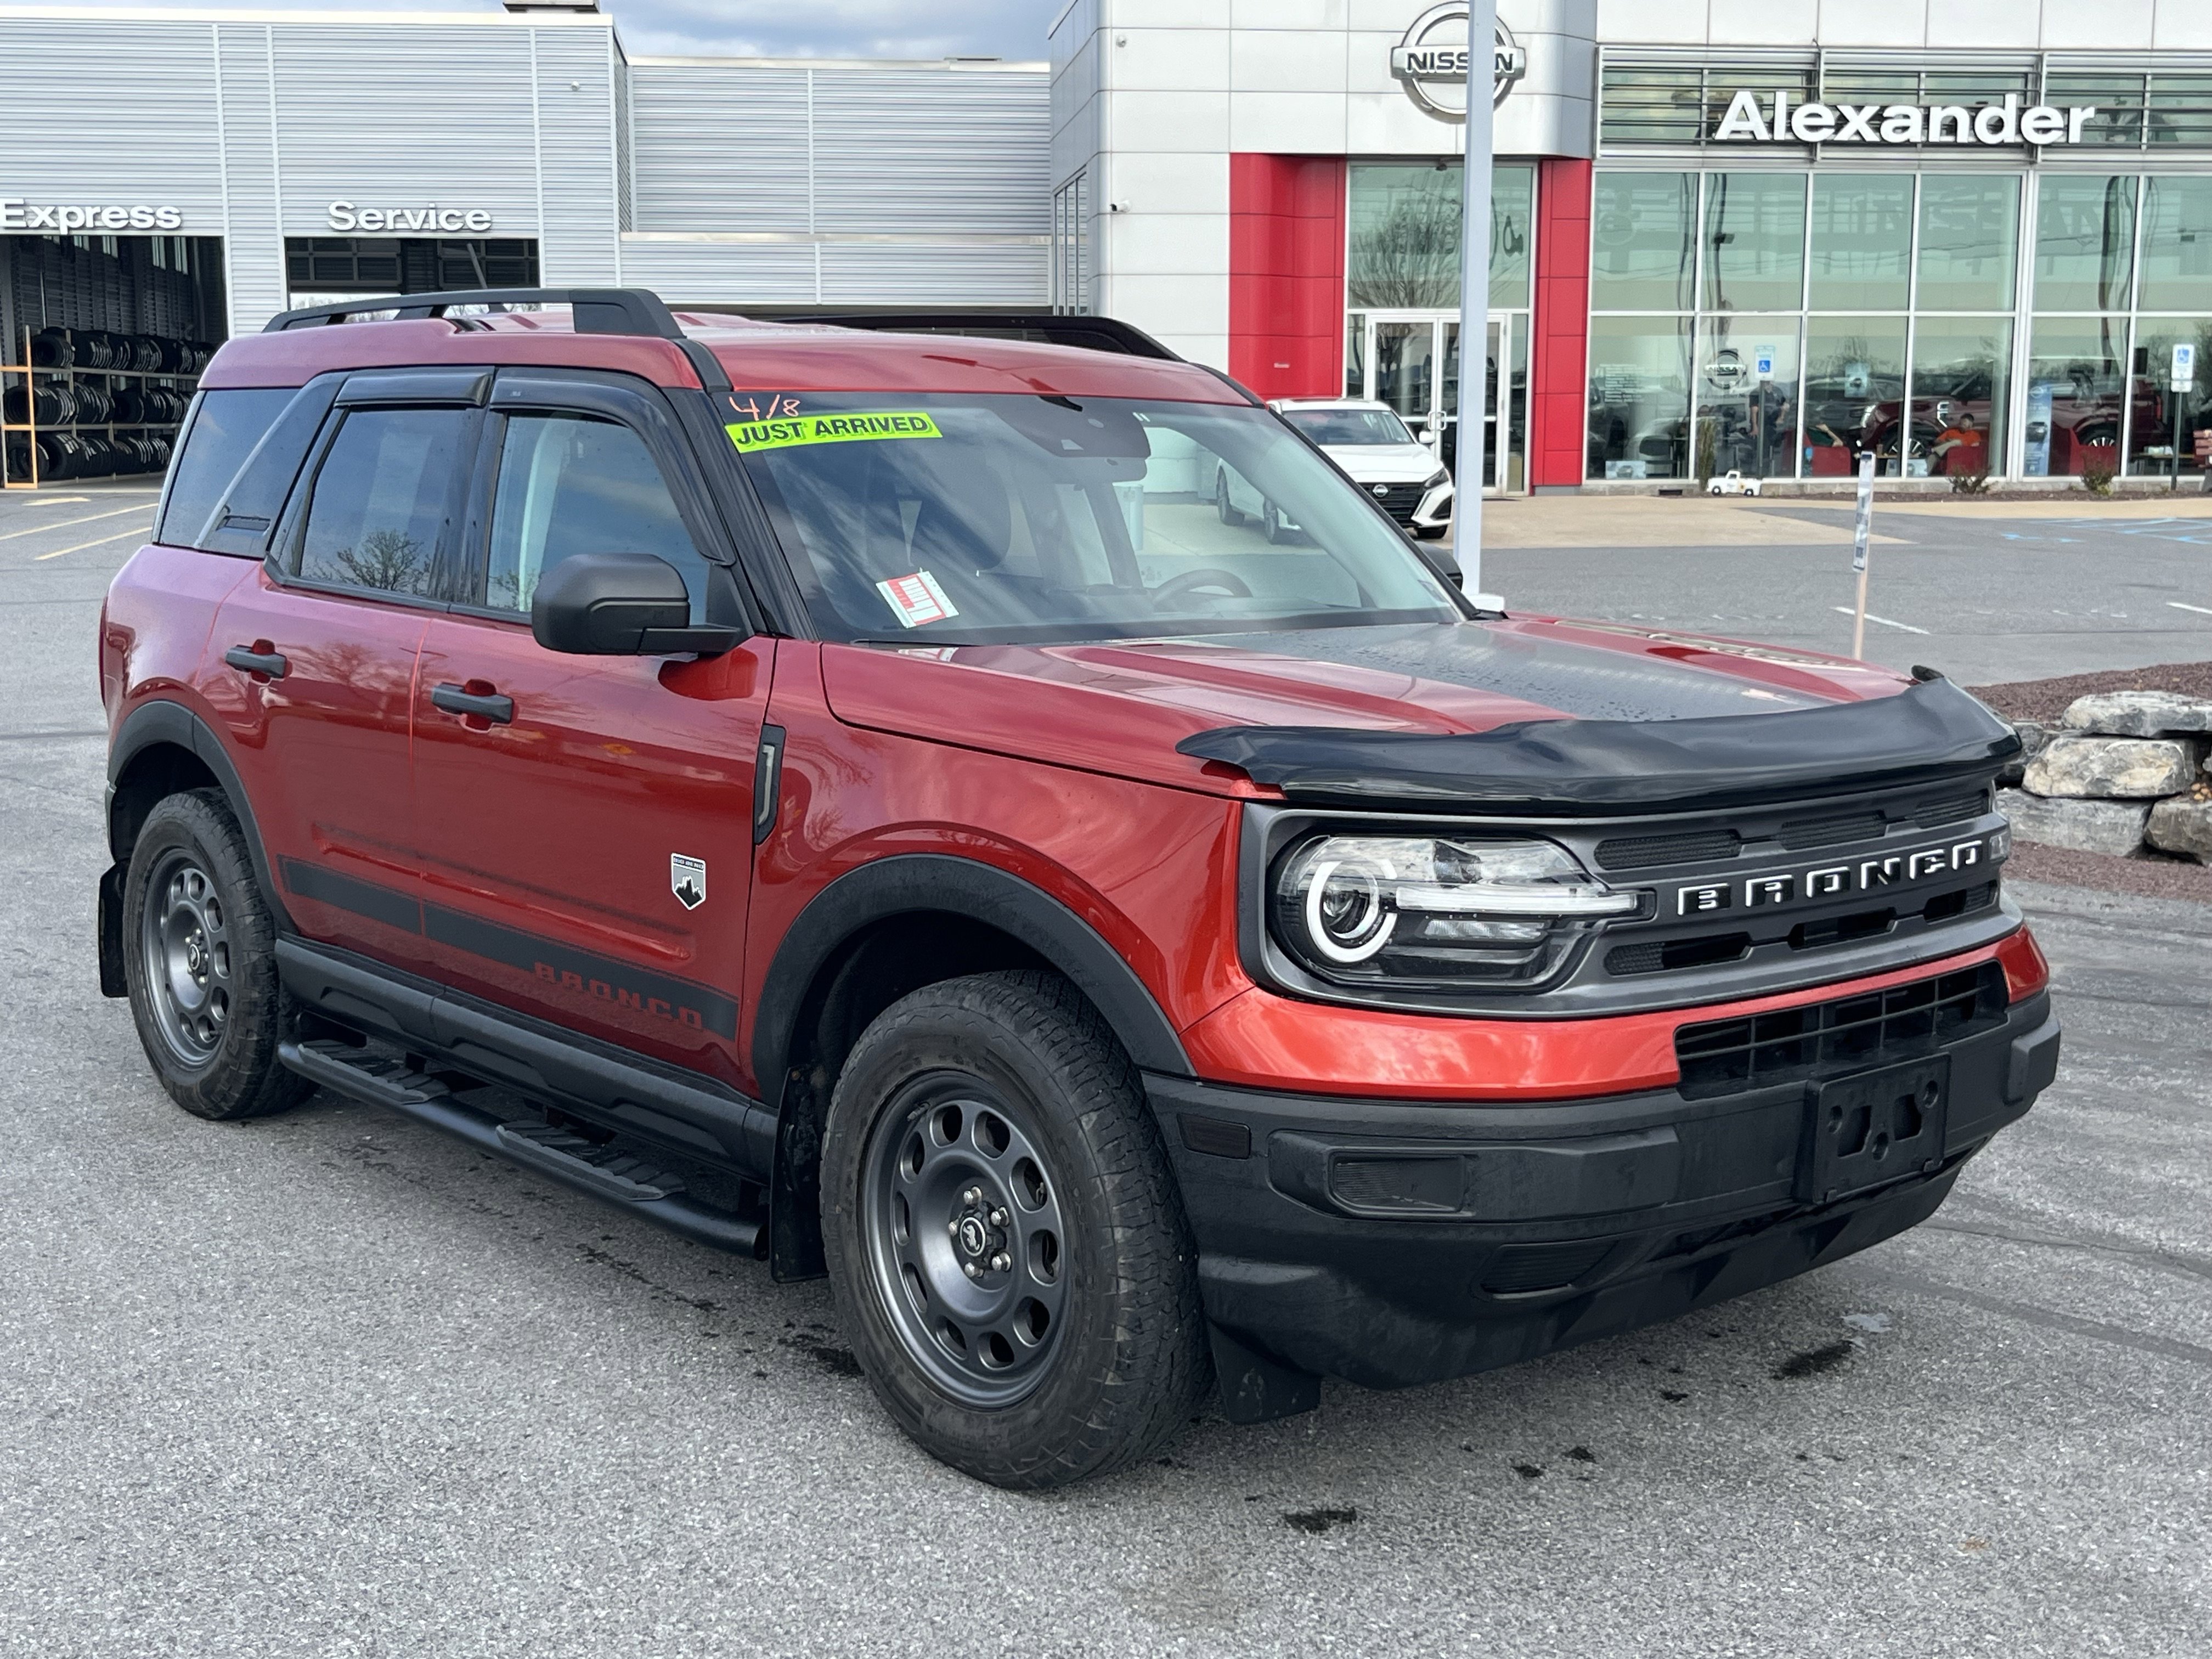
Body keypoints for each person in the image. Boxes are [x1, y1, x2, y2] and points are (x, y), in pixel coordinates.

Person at [1933, 410, 1987, 477]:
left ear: (1970, 424)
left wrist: (1957, 443)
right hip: (1944, 454)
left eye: (1964, 423)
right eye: (1961, 423)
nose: (1961, 425)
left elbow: (1975, 448)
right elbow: (1937, 441)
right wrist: (1949, 443)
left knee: (1957, 442)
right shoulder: (1951, 432)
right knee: (1932, 457)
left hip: (1963, 453)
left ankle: (1936, 451)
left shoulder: (1975, 435)